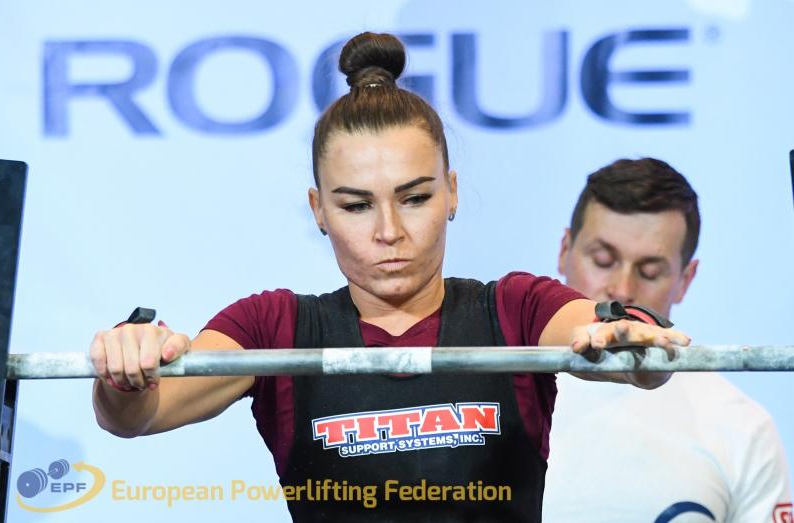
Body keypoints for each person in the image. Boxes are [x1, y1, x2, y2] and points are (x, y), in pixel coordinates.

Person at [89, 34, 688, 522]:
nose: (389, 231)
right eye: (355, 205)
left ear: (451, 192)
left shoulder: (516, 309)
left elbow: (631, 350)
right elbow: (134, 416)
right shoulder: (274, 327)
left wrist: (632, 336)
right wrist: (127, 367)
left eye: (415, 198)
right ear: (318, 210)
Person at [542, 158, 792, 523]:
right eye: (603, 260)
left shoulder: (744, 428)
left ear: (685, 279)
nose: (622, 290)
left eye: (649, 272)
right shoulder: (495, 392)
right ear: (564, 250)